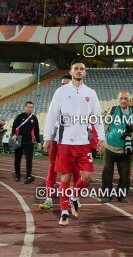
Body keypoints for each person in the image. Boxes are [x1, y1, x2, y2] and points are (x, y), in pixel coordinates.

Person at [43, 59, 105, 226]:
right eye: (76, 68)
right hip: (65, 142)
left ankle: (74, 195)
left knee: (87, 177)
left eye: (82, 69)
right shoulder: (61, 92)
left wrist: (102, 138)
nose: (79, 71)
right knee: (65, 177)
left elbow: (97, 118)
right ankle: (64, 212)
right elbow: (52, 115)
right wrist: (47, 138)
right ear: (71, 72)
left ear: (85, 72)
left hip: (84, 143)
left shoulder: (91, 93)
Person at [39, 74, 73, 210]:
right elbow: (50, 118)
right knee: (52, 169)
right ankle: (48, 199)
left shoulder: (79, 100)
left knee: (71, 171)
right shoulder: (57, 98)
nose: (64, 86)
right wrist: (47, 139)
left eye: (67, 83)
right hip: (56, 140)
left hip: (71, 142)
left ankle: (72, 198)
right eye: (62, 84)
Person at [99, 91, 133, 203]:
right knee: (107, 173)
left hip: (125, 149)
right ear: (118, 99)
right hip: (110, 148)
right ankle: (106, 195)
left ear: (129, 100)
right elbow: (105, 125)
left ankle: (121, 195)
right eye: (121, 98)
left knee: (125, 174)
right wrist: (101, 140)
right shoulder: (113, 110)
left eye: (126, 98)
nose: (123, 101)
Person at [12, 101, 41, 183]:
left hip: (29, 142)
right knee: (17, 159)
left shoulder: (34, 118)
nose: (30, 109)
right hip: (19, 140)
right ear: (24, 107)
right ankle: (17, 175)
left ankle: (28, 175)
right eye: (28, 107)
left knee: (29, 159)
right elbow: (14, 126)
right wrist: (14, 134)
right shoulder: (19, 116)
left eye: (31, 107)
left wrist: (38, 142)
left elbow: (36, 131)